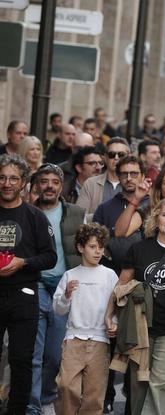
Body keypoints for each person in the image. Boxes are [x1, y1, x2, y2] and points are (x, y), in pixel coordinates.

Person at [112, 198, 165, 415]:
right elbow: (121, 285)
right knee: (137, 386)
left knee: (161, 383)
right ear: (156, 219)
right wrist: (109, 316)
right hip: (139, 328)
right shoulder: (139, 248)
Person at [0, 155, 58, 415]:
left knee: (22, 359)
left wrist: (23, 262)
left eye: (13, 178)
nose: (6, 183)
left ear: (24, 183)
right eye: (2, 177)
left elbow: (50, 257)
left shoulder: (35, 216)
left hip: (24, 295)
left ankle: (17, 410)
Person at [28, 163, 86, 414]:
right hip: (36, 284)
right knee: (34, 351)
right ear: (36, 185)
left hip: (64, 287)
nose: (49, 186)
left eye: (54, 181)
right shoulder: (28, 212)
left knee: (54, 353)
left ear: (61, 186)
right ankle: (32, 405)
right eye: (44, 181)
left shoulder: (76, 212)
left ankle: (47, 396)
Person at [52, 223, 117, 415]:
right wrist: (66, 295)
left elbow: (117, 307)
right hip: (73, 340)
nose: (98, 251)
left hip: (100, 341)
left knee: (94, 395)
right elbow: (58, 309)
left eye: (101, 247)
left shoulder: (109, 275)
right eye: (92, 246)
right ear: (81, 247)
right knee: (65, 385)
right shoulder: (70, 275)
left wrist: (114, 324)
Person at [77, 138, 130, 217]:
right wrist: (103, 217)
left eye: (121, 154)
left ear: (129, 157)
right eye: (111, 154)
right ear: (105, 157)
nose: (116, 158)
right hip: (95, 228)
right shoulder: (91, 183)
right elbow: (78, 216)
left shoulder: (136, 184)